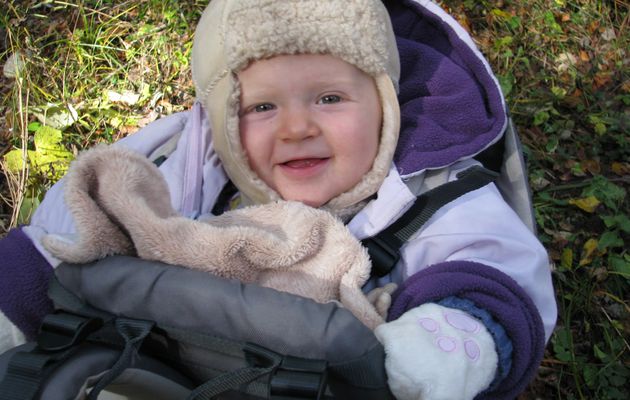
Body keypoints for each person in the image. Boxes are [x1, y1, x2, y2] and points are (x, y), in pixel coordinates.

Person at [0, 0, 557, 399]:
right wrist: (13, 304)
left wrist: (456, 332)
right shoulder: (190, 162)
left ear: (385, 105)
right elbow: (72, 229)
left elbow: (491, 266)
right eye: (261, 108)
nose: (296, 128)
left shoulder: (429, 191)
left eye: (330, 98)